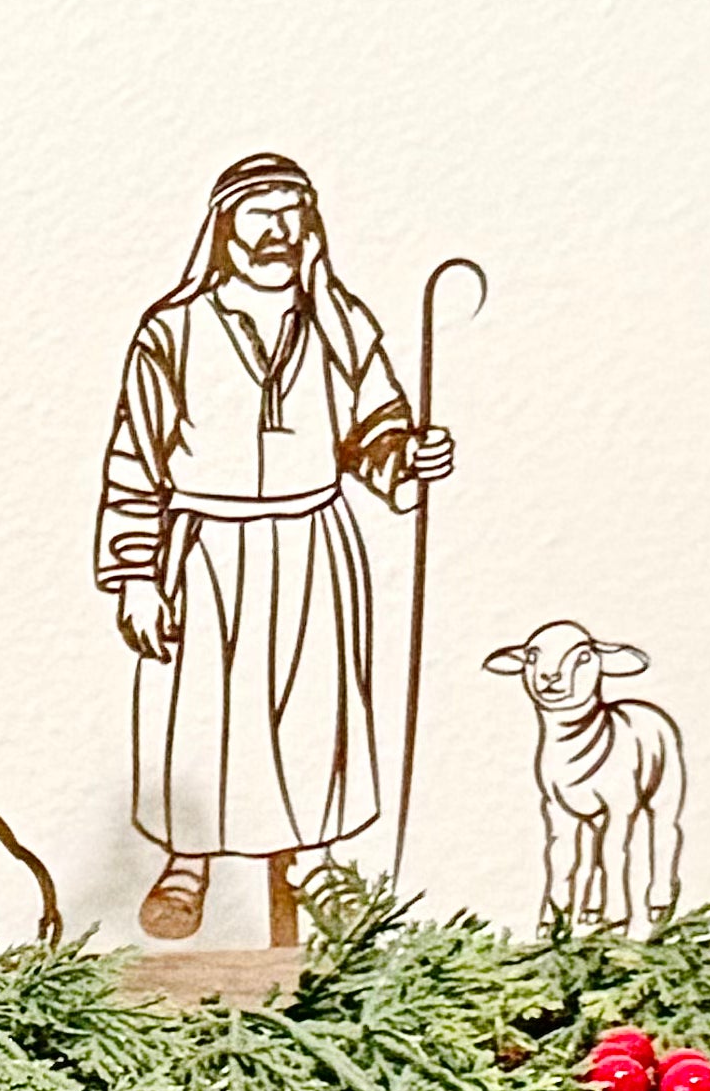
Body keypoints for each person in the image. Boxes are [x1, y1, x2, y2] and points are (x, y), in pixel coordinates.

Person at [94, 151, 456, 943]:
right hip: (205, 549)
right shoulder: (174, 329)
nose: (278, 231)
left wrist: (408, 458)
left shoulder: (341, 320)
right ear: (226, 227)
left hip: (312, 542)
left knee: (311, 706)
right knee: (200, 713)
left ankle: (318, 858)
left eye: (293, 211)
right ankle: (188, 864)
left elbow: (376, 431)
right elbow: (137, 456)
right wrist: (134, 574)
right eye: (260, 212)